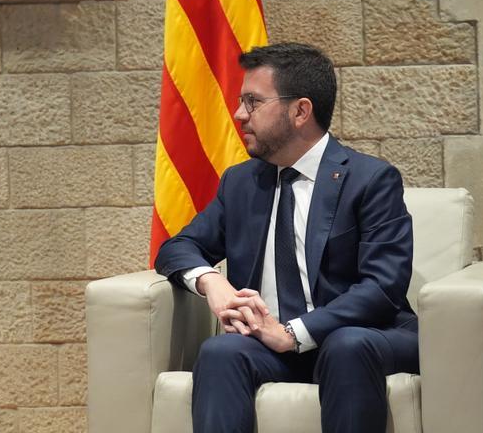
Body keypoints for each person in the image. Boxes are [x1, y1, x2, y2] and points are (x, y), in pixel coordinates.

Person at [154, 43, 417, 433]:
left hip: (364, 337)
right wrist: (212, 282)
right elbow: (177, 247)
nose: (239, 114)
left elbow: (382, 288)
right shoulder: (241, 182)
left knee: (346, 346)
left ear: (300, 111)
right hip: (270, 343)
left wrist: (292, 333)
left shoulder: (371, 180)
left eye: (253, 102)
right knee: (219, 351)